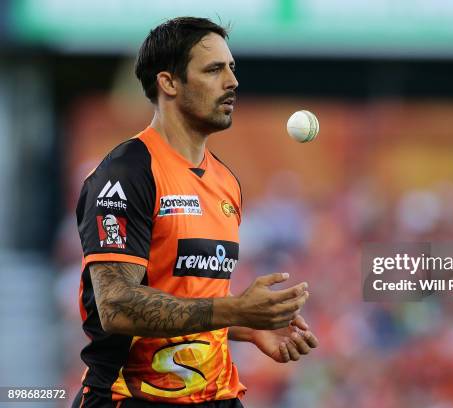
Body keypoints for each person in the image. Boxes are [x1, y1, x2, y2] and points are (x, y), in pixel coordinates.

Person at [72, 17, 318, 408]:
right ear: (169, 83)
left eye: (232, 68)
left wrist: (246, 325)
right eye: (214, 69)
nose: (232, 82)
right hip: (129, 398)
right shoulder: (125, 174)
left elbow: (189, 297)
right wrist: (233, 309)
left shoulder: (226, 182)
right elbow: (116, 307)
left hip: (218, 396)